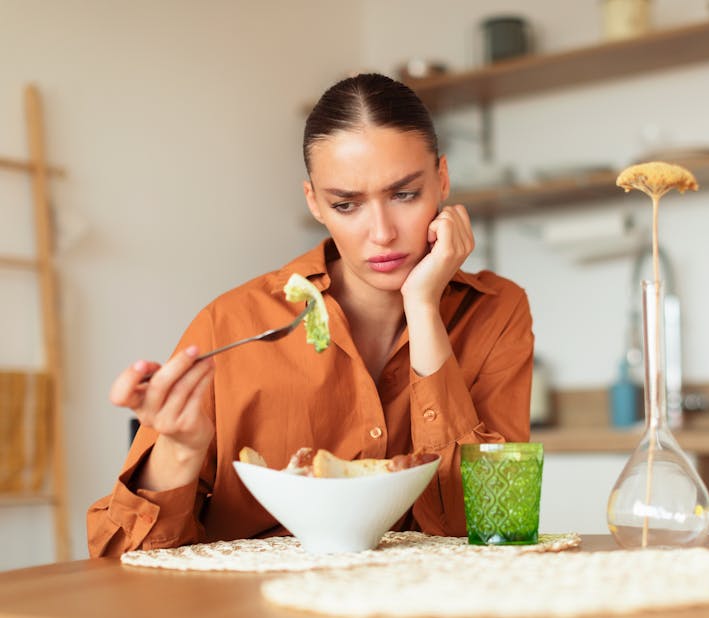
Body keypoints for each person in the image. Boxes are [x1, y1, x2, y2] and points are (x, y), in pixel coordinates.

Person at [87, 73, 534, 557]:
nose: (381, 233)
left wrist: (423, 304)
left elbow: (490, 531)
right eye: (346, 204)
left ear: (442, 180)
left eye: (404, 194)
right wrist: (179, 450)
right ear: (314, 203)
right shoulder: (234, 322)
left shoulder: (495, 311)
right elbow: (121, 561)